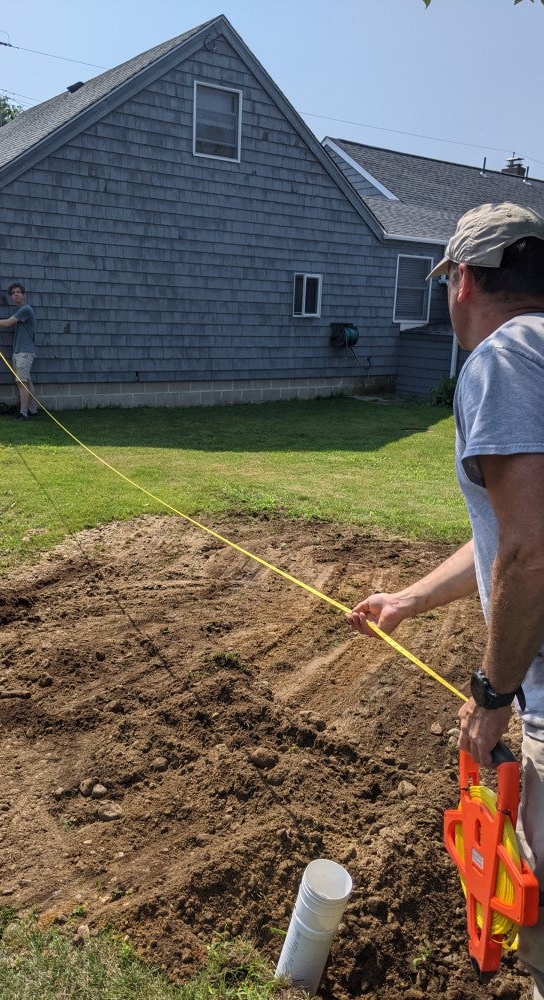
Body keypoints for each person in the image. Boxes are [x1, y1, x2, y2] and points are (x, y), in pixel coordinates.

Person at [347, 202, 544, 999]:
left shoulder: (501, 358)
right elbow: (509, 532)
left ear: (462, 279)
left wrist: (494, 696)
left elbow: (529, 552)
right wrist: (406, 600)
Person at [0, 282, 38, 420]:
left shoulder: (26, 309)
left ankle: (23, 413)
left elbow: (7, 323)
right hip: (21, 351)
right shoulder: (21, 310)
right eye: (13, 293)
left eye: (18, 292)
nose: (15, 295)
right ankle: (32, 409)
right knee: (26, 381)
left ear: (23, 294)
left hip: (24, 352)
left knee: (21, 382)